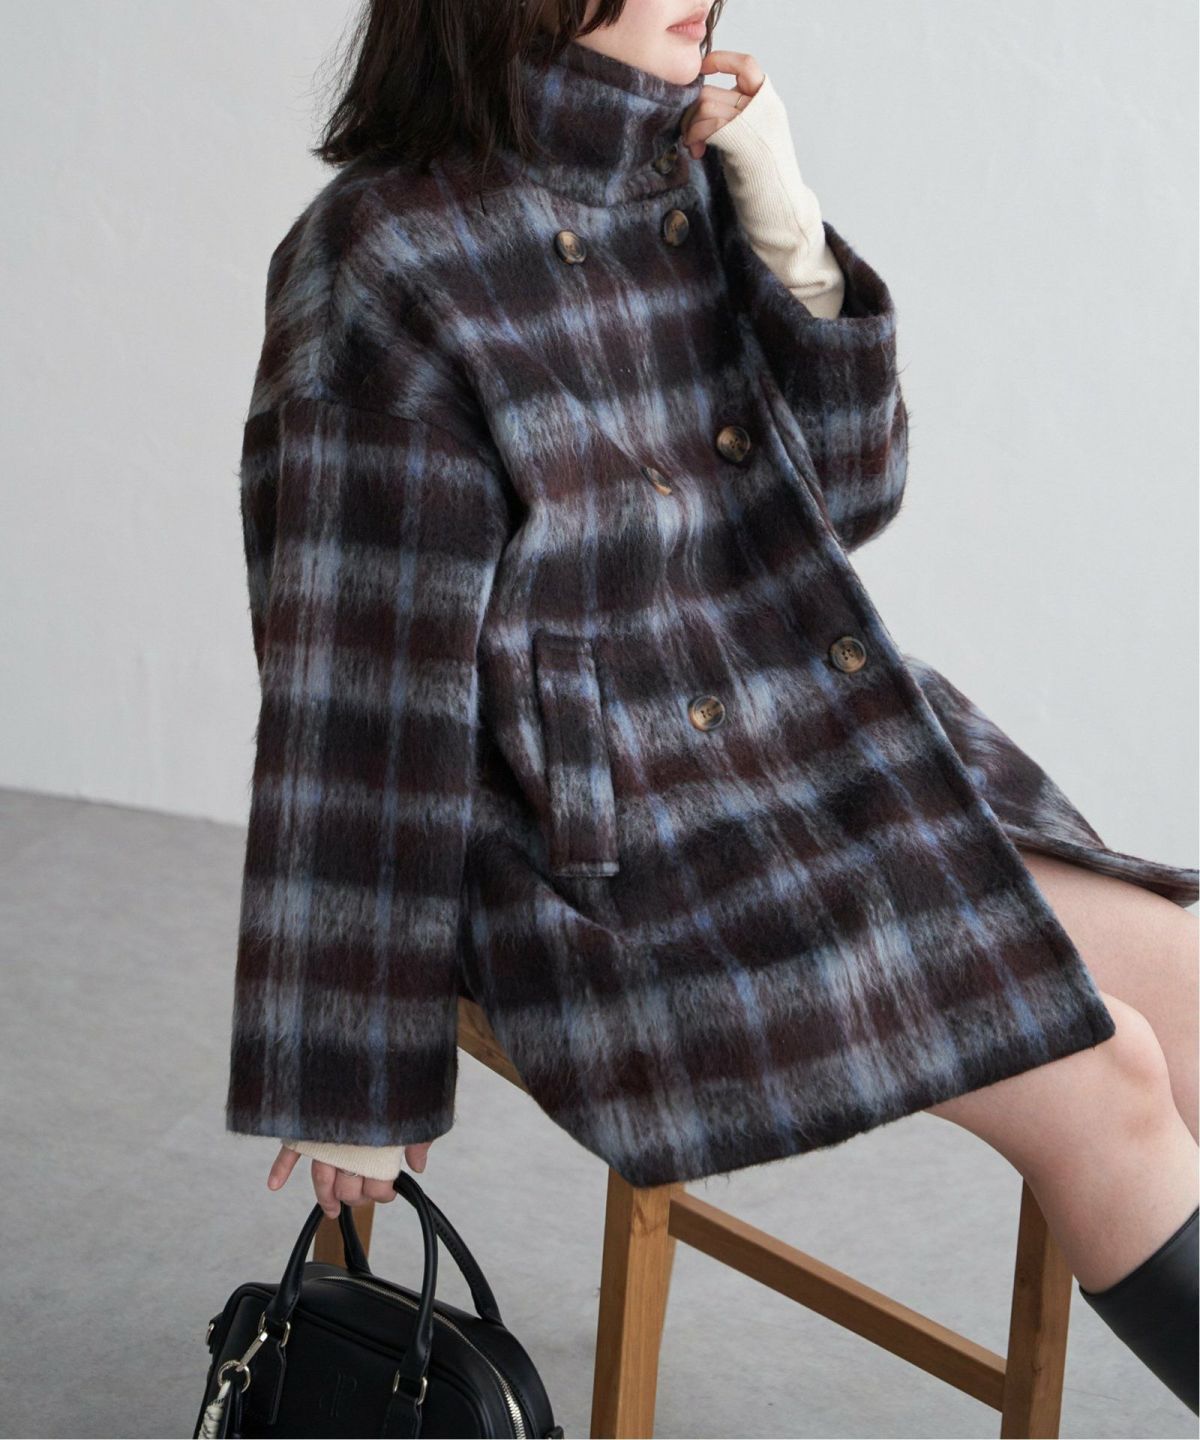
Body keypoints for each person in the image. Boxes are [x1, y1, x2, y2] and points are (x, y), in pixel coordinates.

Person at [229, 0, 1199, 1413]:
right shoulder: (384, 259)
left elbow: (845, 503)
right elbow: (359, 693)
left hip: (805, 743)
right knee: (1105, 1072)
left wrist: (792, 237)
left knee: (1189, 974)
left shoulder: (677, 175)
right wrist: (353, 1079)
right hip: (606, 855)